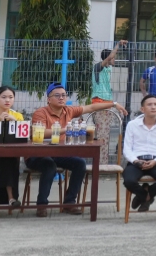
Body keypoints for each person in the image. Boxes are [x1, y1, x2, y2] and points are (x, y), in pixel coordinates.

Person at [27, 83, 124, 216]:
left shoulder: (68, 110)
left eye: (64, 95)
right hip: (37, 154)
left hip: (57, 153)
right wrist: (64, 129)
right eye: (57, 95)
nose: (61, 98)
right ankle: (42, 205)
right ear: (48, 99)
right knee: (49, 165)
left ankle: (69, 202)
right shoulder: (41, 112)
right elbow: (41, 132)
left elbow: (91, 107)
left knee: (79, 163)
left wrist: (113, 104)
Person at [122, 95, 156, 212]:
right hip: (136, 161)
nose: (153, 107)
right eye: (149, 105)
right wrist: (136, 161)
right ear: (142, 109)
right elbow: (127, 149)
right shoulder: (132, 125)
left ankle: (145, 195)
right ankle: (146, 196)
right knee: (128, 180)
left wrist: (155, 161)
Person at [91, 43, 123, 164]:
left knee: (105, 135)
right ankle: (100, 164)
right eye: (113, 58)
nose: (114, 59)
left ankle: (102, 162)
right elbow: (109, 57)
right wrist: (118, 45)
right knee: (101, 136)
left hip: (107, 103)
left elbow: (110, 60)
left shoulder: (108, 69)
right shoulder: (98, 67)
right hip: (100, 103)